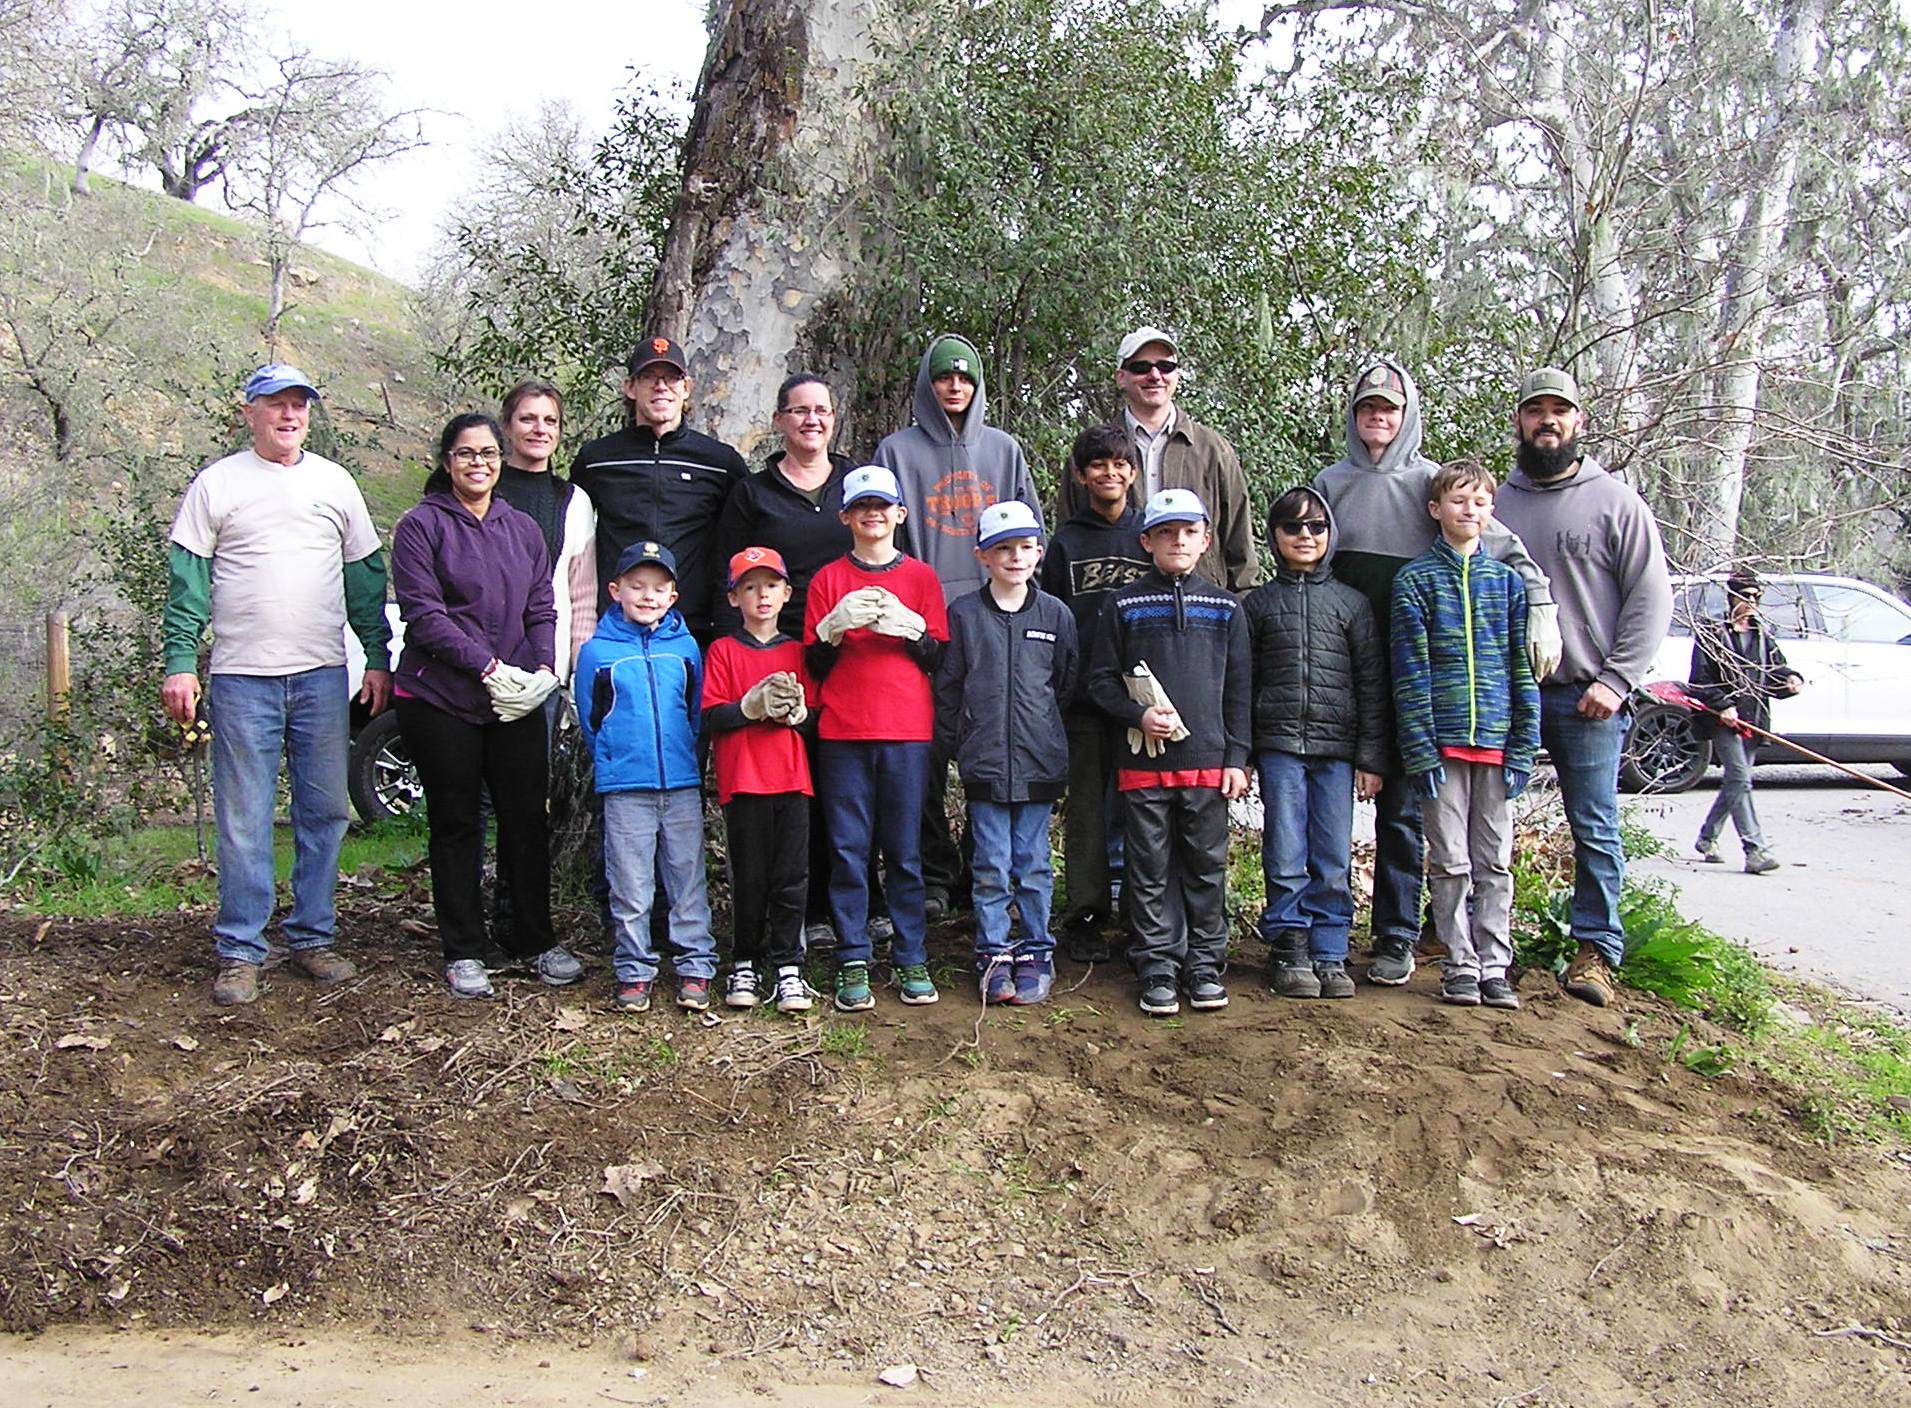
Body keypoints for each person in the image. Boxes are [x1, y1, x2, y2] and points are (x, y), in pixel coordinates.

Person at [1312, 358, 1558, 988]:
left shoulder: (1434, 484)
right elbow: (1309, 554)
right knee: (1336, 804)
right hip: (1348, 665)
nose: (1378, 418)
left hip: (1419, 672)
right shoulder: (1331, 482)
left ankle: (1396, 935)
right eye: (1367, 408)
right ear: (1353, 415)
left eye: (1389, 410)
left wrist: (1542, 610)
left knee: (1403, 808)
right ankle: (1326, 934)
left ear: (1406, 415)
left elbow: (1499, 547)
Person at [162, 363, 392, 1006]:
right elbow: (188, 584)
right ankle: (240, 948)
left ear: (310, 415)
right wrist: (181, 661)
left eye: (299, 405)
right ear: (250, 412)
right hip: (241, 679)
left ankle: (313, 937)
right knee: (244, 817)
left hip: (321, 674)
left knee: (323, 811)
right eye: (275, 405)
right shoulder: (217, 484)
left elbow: (365, 579)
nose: (288, 416)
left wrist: (377, 656)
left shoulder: (334, 484)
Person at [1493, 367, 1672, 1008]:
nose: (1547, 421)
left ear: (1579, 422)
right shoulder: (1497, 504)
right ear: (1519, 421)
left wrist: (1618, 680)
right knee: (1482, 814)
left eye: (1559, 412)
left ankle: (1595, 949)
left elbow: (1650, 599)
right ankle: (1470, 935)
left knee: (1593, 823)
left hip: (1586, 695)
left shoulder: (1615, 503)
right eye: (1535, 411)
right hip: (1506, 693)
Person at [390, 413, 577, 999]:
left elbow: (541, 606)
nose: (479, 463)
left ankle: (531, 937)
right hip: (442, 697)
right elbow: (425, 616)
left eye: (489, 454)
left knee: (526, 818)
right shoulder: (421, 526)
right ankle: (464, 948)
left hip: (515, 699)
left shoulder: (521, 528)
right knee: (457, 821)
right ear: (447, 461)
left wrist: (543, 670)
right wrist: (487, 667)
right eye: (466, 453)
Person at [875, 333, 1041, 922]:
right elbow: (881, 540)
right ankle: (934, 875)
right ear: (928, 382)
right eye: (944, 377)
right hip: (922, 628)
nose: (954, 386)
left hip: (995, 625)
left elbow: (1030, 535)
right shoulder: (895, 452)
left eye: (965, 377)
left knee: (989, 751)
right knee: (925, 754)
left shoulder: (1004, 449)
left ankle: (983, 870)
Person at [711, 372, 864, 952]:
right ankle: (782, 919)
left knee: (837, 778)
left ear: (834, 417)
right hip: (775, 652)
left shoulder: (856, 481)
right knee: (787, 778)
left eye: (822, 409)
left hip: (848, 653)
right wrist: (735, 652)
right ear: (780, 421)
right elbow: (724, 570)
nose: (811, 420)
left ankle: (838, 902)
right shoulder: (754, 493)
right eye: (798, 411)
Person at [1086, 489, 1251, 1018]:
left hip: (1208, 761)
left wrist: (1237, 757)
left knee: (1205, 866)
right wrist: (1138, 716)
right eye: (1166, 533)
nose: (1178, 541)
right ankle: (1156, 964)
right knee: (1148, 867)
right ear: (1147, 541)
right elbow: (1100, 682)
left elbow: (1241, 689)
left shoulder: (1226, 607)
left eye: (1188, 532)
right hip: (1143, 765)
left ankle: (1204, 964)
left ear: (1206, 540)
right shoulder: (1123, 604)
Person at [1390, 461, 1540, 1010]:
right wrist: (1420, 748)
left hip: (1498, 744)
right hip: (1442, 746)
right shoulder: (1416, 581)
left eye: (1479, 502)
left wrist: (1523, 743)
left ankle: (1495, 963)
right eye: (1458, 501)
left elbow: (1521, 670)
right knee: (1449, 859)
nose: (1468, 511)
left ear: (1491, 511)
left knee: (1494, 859)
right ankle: (1459, 961)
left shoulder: (1506, 584)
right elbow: (1409, 673)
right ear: (1436, 510)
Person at [805, 465, 950, 1013]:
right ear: (846, 516)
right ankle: (852, 957)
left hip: (907, 731)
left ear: (899, 515)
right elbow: (814, 664)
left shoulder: (921, 578)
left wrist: (911, 627)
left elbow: (937, 656)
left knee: (905, 852)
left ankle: (911, 954)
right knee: (847, 850)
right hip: (843, 730)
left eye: (882, 506)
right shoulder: (827, 580)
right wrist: (832, 627)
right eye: (862, 507)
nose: (873, 515)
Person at [1242, 486, 1388, 1000]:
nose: (1305, 536)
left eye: (1316, 527)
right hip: (1278, 744)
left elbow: (1371, 684)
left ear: (1330, 535)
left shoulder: (1352, 604)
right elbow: (1241, 684)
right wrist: (1242, 754)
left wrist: (1371, 756)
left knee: (1332, 854)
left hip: (1338, 750)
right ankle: (1289, 945)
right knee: (1284, 850)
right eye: (1292, 527)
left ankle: (1329, 949)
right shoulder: (1257, 605)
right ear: (1274, 535)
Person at [935, 501, 1078, 1006]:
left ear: (1039, 552)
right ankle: (994, 953)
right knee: (992, 864)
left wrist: (1041, 735)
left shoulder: (1055, 614)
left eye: (1024, 547)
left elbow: (1064, 684)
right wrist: (962, 743)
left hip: (1039, 762)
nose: (1014, 557)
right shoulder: (965, 615)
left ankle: (1037, 950)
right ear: (983, 556)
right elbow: (949, 688)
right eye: (1002, 549)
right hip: (985, 764)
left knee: (1034, 865)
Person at [575, 541, 716, 1013]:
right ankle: (634, 969)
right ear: (615, 590)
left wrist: (685, 762)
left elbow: (695, 714)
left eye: (659, 588)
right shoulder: (597, 651)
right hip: (625, 788)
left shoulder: (687, 647)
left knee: (686, 878)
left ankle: (695, 963)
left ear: (674, 595)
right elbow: (591, 722)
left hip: (679, 784)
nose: (647, 596)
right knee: (631, 884)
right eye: (637, 586)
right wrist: (616, 761)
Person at [1041, 423, 1151, 959]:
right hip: (1083, 698)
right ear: (1083, 475)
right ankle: (1085, 912)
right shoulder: (1066, 541)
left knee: (1140, 806)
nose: (1110, 473)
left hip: (1139, 701)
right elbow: (1054, 619)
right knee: (1085, 808)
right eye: (1098, 465)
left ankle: (1142, 912)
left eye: (1119, 464)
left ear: (1133, 472)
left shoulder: (1148, 536)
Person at [1057, 326, 1260, 592]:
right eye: (1141, 367)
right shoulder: (1092, 452)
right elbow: (1068, 534)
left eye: (1165, 366)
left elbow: (1239, 539)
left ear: (1177, 374)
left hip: (1199, 611)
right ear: (1121, 377)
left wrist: (1244, 605)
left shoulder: (1212, 449)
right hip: (1115, 610)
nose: (1155, 376)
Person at [702, 546, 818, 1014]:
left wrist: (800, 714)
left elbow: (814, 715)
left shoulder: (796, 651)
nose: (761, 595)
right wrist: (747, 708)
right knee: (750, 877)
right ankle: (745, 960)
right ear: (734, 599)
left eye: (770, 585)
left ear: (787, 592)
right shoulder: (724, 650)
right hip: (745, 780)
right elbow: (711, 714)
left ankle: (788, 964)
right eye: (749, 587)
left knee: (791, 876)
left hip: (792, 779)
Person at [570, 336, 747, 639]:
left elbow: (741, 543)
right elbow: (572, 538)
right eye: (649, 377)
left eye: (671, 378)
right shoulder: (596, 459)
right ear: (630, 387)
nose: (661, 386)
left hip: (693, 631)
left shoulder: (720, 462)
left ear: (686, 388)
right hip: (614, 630)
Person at [1688, 569, 1799, 875]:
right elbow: (1699, 682)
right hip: (1723, 721)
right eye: (1745, 596)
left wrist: (1790, 681)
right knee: (1740, 779)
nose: (1751, 602)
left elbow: (1776, 672)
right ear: (1732, 597)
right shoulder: (1713, 635)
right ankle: (1755, 850)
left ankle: (1706, 837)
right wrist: (1722, 705)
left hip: (1754, 719)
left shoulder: (1764, 636)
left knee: (1737, 783)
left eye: (1756, 597)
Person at [496, 379, 598, 688]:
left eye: (550, 420)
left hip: (546, 666)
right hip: (480, 660)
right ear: (507, 427)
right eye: (528, 419)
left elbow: (582, 598)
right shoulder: (481, 489)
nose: (540, 429)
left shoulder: (573, 501)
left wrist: (580, 671)